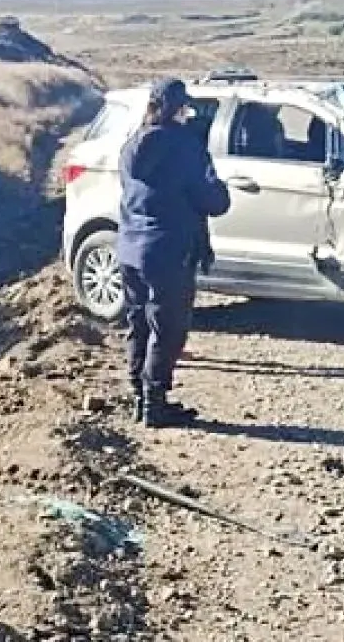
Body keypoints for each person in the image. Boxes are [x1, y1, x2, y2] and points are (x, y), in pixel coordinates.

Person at [117, 78, 230, 427]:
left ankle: (138, 395)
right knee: (169, 329)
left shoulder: (131, 145)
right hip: (170, 251)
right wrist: (218, 185)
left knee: (139, 322)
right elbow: (214, 202)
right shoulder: (183, 146)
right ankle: (155, 404)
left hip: (131, 248)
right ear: (178, 108)